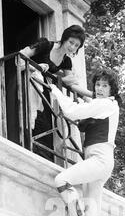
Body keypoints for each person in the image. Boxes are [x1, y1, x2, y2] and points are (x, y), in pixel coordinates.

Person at [50, 68, 121, 216]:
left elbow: (71, 111)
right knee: (95, 211)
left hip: (99, 158)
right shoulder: (107, 103)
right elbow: (88, 97)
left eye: (105, 85)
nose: (99, 89)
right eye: (98, 84)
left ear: (112, 89)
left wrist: (55, 89)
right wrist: (73, 86)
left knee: (62, 179)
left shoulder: (106, 104)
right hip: (101, 160)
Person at [19, 25, 92, 159]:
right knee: (26, 118)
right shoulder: (45, 45)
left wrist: (91, 96)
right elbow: (20, 56)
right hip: (26, 85)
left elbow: (73, 85)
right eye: (71, 42)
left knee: (44, 123)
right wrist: (35, 67)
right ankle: (24, 147)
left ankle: (39, 154)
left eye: (76, 45)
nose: (72, 47)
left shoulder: (66, 61)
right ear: (64, 39)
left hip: (42, 91)